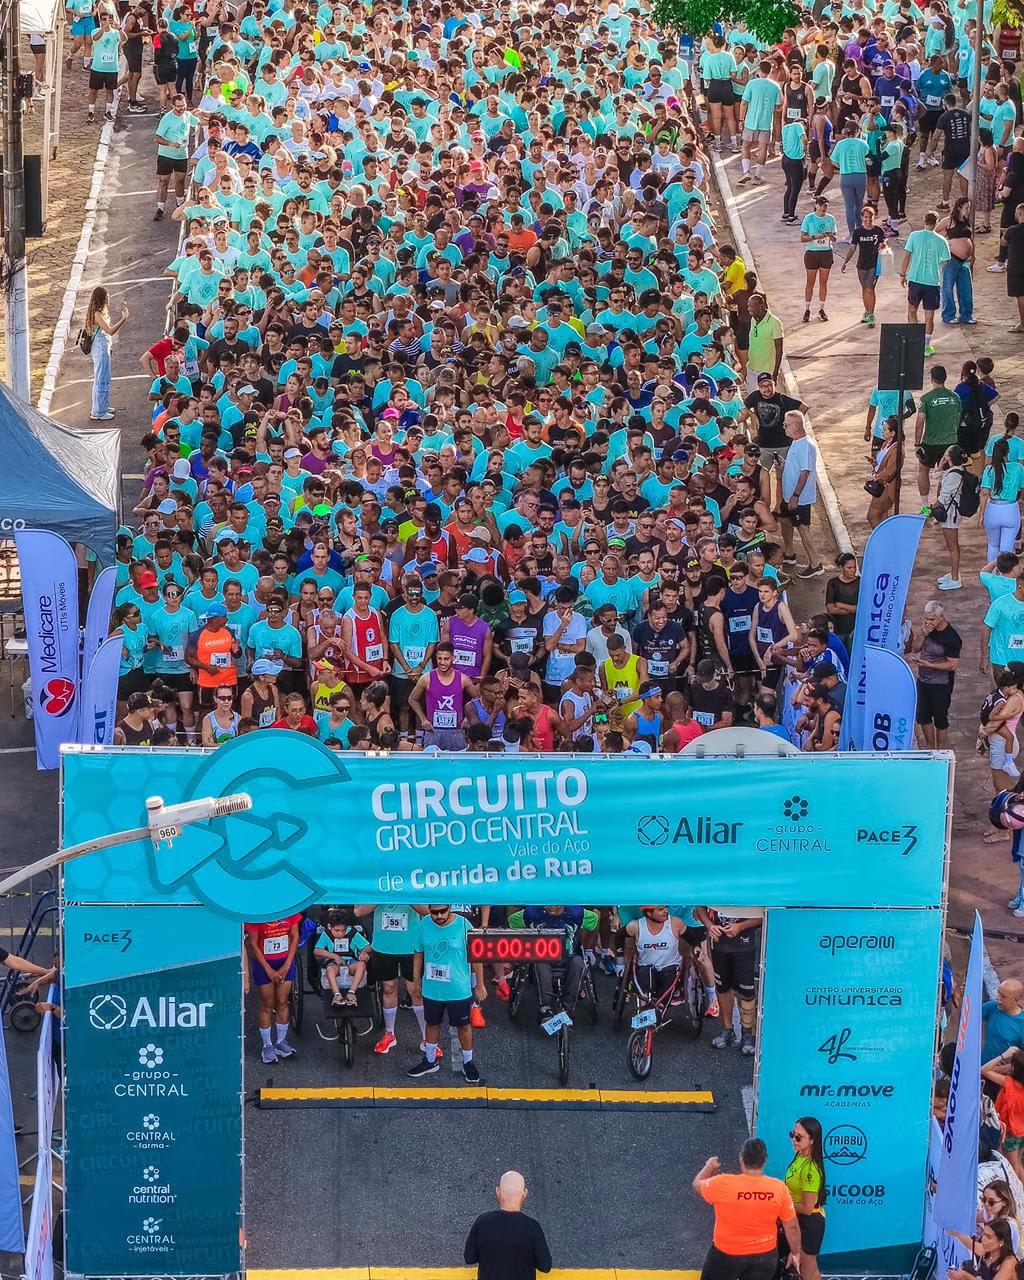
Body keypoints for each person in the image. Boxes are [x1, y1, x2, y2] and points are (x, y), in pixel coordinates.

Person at [693, 1139, 801, 1280]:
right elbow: (792, 1226)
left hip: (726, 1255)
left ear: (741, 1159)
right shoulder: (779, 1188)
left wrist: (709, 1166)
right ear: (765, 1160)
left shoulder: (723, 1183)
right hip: (764, 1256)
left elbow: (697, 1185)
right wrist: (795, 1253)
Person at [408, 905, 485, 1083]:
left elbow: (476, 957)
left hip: (458, 990)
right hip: (432, 988)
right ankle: (430, 1060)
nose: (439, 916)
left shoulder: (465, 925)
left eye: (443, 911)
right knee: (432, 1024)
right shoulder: (423, 924)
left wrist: (480, 985)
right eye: (434, 912)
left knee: (464, 1026)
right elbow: (418, 952)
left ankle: (468, 1063)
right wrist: (416, 979)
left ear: (450, 907)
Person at [463, 1171, 552, 1280]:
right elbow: (545, 1266)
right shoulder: (533, 1227)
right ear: (525, 1193)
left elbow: (469, 1258)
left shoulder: (482, 1222)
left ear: (498, 1191)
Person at [244, 916, 301, 1064]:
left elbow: (295, 937)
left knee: (282, 1002)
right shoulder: (258, 916)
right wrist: (268, 970)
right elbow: (253, 944)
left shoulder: (290, 912)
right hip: (264, 966)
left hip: (285, 963)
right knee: (267, 1005)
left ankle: (281, 1042)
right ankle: (267, 1046)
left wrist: (287, 965)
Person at [909, 600, 962, 750]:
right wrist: (921, 634)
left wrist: (930, 665)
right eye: (925, 618)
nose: (928, 622)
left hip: (941, 683)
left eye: (931, 619)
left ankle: (940, 749)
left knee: (940, 718)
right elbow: (914, 649)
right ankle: (930, 747)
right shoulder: (927, 630)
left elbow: (953, 665)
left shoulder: (951, 638)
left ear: (941, 617)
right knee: (923, 716)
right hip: (923, 680)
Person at [901, 211, 951, 358]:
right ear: (936, 222)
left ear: (924, 221)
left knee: (912, 310)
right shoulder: (941, 240)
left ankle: (914, 342)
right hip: (932, 282)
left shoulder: (914, 236)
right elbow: (946, 261)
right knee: (929, 315)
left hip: (915, 280)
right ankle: (926, 346)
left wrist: (903, 274)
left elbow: (907, 256)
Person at [779, 412, 822, 578]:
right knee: (785, 521)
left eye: (786, 424)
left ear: (796, 426)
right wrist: (784, 464)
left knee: (803, 529)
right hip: (789, 496)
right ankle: (789, 554)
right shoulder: (796, 442)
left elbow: (805, 472)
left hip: (799, 498)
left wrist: (796, 495)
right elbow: (797, 466)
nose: (784, 427)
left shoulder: (805, 445)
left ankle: (815, 564)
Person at [784, 1118, 826, 1280]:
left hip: (809, 1223)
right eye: (792, 1135)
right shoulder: (800, 1155)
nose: (794, 1140)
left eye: (799, 1137)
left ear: (812, 1140)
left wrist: (782, 1205)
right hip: (796, 1219)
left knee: (808, 1270)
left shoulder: (810, 1169)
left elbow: (807, 1208)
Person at [83, 286, 128, 421]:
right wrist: (123, 319)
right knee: (101, 379)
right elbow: (110, 331)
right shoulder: (97, 314)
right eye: (107, 297)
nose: (109, 299)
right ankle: (98, 411)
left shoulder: (98, 312)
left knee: (104, 378)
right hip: (100, 348)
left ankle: (102, 406)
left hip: (103, 347)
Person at [799, 196, 837, 323]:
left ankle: (821, 308)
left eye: (825, 206)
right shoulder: (809, 218)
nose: (823, 208)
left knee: (823, 281)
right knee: (810, 281)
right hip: (812, 253)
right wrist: (815, 237)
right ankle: (807, 309)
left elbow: (835, 238)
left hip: (826, 252)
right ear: (816, 205)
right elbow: (803, 237)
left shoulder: (830, 219)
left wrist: (830, 235)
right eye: (821, 205)